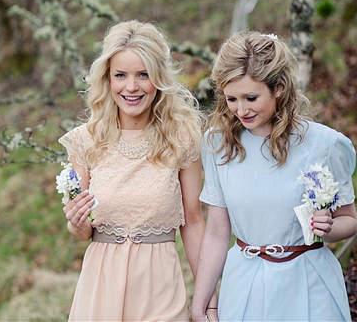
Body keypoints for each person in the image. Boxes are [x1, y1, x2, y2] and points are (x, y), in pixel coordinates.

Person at [191, 31, 357, 321]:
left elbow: (349, 220)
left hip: (308, 283)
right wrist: (202, 300)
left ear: (278, 87)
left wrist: (328, 228)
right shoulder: (218, 144)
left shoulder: (325, 145)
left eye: (251, 97)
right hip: (244, 284)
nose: (240, 110)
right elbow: (217, 231)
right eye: (231, 99)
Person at [59, 20, 217, 321]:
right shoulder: (86, 141)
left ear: (158, 78)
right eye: (121, 75)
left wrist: (208, 300)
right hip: (100, 285)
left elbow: (194, 223)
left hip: (160, 288)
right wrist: (77, 224)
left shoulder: (181, 137)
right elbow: (81, 230)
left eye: (143, 75)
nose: (131, 87)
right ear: (108, 79)